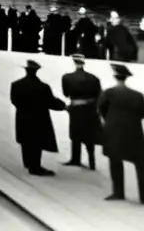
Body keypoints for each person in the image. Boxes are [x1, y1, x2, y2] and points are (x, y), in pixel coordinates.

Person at [10, 59, 66, 176]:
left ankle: (27, 163)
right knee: (36, 141)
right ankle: (35, 167)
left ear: (26, 71)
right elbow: (51, 102)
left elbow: (14, 101)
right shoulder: (43, 87)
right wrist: (63, 106)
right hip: (38, 118)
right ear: (36, 72)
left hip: (22, 116)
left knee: (25, 140)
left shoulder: (16, 85)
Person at [97, 63, 144, 202]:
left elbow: (101, 110)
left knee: (115, 161)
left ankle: (118, 192)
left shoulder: (108, 93)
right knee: (140, 164)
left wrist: (111, 121)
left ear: (115, 77)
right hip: (134, 132)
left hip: (114, 132)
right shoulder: (138, 95)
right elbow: (142, 113)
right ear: (126, 78)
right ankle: (143, 195)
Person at [60, 53, 102, 170]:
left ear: (74, 62)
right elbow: (98, 94)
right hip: (89, 109)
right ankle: (91, 160)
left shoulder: (67, 77)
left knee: (75, 133)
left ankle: (75, 158)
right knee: (89, 134)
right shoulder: (94, 78)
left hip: (75, 109)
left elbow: (66, 93)